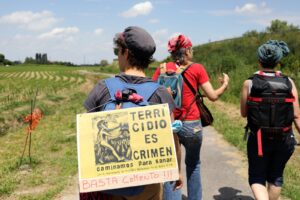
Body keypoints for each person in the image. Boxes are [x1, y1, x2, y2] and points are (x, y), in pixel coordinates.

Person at [81, 26, 182, 200]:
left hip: (109, 183)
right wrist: (177, 171)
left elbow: (87, 138)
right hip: (147, 182)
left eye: (117, 51)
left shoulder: (102, 88)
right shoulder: (160, 93)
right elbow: (172, 138)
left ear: (125, 53)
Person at [152, 34, 229, 200]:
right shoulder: (197, 68)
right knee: (193, 165)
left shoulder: (162, 68)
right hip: (191, 123)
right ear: (186, 51)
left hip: (169, 124)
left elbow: (153, 94)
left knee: (171, 167)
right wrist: (224, 85)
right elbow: (212, 96)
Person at [240, 40, 299, 200]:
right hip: (284, 139)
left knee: (257, 177)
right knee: (276, 177)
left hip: (258, 139)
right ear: (278, 61)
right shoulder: (289, 82)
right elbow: (296, 116)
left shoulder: (249, 83)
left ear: (259, 61)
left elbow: (244, 113)